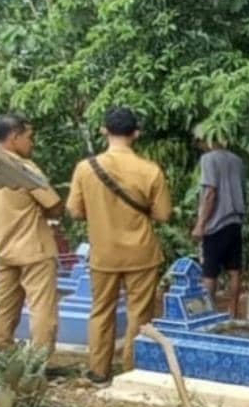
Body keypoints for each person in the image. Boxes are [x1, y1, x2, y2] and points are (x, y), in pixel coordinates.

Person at [68, 107, 172, 385]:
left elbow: (75, 211)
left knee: (101, 310)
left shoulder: (85, 168)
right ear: (135, 133)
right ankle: (131, 370)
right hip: (141, 252)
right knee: (140, 313)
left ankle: (99, 371)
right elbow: (162, 215)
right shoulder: (150, 170)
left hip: (103, 252)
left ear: (104, 130)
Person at [0, 113, 63, 353]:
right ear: (14, 137)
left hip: (3, 248)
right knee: (42, 308)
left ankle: (0, 354)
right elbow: (53, 204)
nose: (31, 143)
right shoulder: (22, 168)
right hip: (33, 248)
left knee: (3, 306)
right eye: (29, 137)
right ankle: (38, 362)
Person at [192, 136, 246, 317]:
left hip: (215, 223)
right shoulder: (237, 160)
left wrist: (200, 224)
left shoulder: (208, 159)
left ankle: (207, 314)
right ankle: (233, 311)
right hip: (235, 221)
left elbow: (210, 193)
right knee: (234, 270)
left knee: (210, 272)